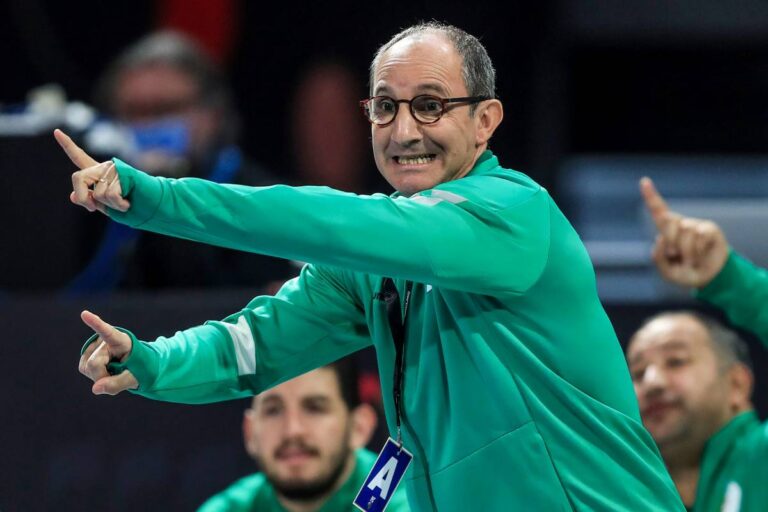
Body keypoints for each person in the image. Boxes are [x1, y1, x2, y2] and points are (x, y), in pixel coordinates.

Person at [61, 22, 684, 510]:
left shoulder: (514, 214)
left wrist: (156, 197)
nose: (404, 130)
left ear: (485, 121)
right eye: (385, 107)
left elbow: (329, 221)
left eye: (431, 106)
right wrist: (150, 361)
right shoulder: (376, 263)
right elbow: (258, 343)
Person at [70, 30, 293, 291]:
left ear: (213, 113)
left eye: (166, 109)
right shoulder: (90, 205)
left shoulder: (261, 198)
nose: (149, 124)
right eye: (135, 111)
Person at [627, 177, 768, 511]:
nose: (653, 383)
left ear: (736, 384)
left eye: (676, 361)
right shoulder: (618, 492)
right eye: (637, 371)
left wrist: (728, 278)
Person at [197, 360, 409, 512]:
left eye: (315, 408)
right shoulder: (228, 507)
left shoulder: (406, 497)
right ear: (250, 432)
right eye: (273, 410)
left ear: (359, 427)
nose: (293, 430)